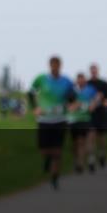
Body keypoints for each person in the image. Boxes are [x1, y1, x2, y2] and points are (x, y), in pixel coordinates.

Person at [27, 56, 76, 189]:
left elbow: (73, 97)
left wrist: (71, 104)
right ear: (49, 65)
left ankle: (55, 177)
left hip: (60, 119)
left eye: (57, 65)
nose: (55, 67)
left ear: (60, 66)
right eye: (53, 65)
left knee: (57, 151)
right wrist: (35, 108)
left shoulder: (67, 81)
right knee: (43, 149)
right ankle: (47, 159)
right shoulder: (41, 79)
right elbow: (30, 93)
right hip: (44, 119)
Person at [68, 72, 99, 173]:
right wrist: (75, 106)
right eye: (79, 79)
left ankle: (88, 161)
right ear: (77, 81)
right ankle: (78, 162)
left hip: (87, 119)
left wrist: (93, 105)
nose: (81, 81)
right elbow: (69, 106)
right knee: (77, 142)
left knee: (88, 140)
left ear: (85, 80)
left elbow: (96, 99)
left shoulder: (90, 89)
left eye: (82, 79)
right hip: (74, 119)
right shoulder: (72, 91)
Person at [86, 63, 107, 168]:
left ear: (97, 71)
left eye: (95, 70)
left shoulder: (104, 84)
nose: (93, 72)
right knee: (91, 135)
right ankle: (91, 158)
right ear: (90, 71)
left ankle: (101, 154)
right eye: (92, 70)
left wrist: (102, 98)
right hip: (90, 114)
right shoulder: (87, 84)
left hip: (101, 113)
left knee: (101, 137)